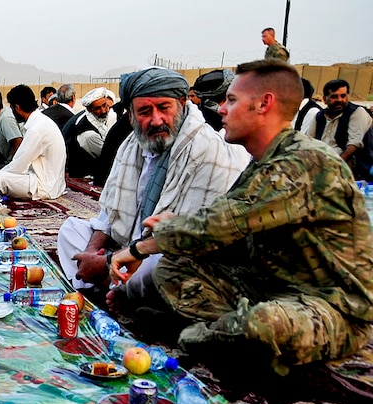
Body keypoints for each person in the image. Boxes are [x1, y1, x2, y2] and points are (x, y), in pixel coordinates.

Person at [111, 60, 373, 375]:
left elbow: (220, 224)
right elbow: (224, 230)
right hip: (268, 286)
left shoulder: (306, 163)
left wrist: (139, 249)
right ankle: (224, 332)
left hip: (333, 307)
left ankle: (201, 335)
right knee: (173, 268)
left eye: (231, 101)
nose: (221, 109)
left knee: (262, 325)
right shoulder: (264, 162)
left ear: (264, 104)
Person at [58, 67, 249, 299]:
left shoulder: (208, 149)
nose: (155, 120)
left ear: (181, 103)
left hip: (164, 250)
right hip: (127, 248)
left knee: (162, 268)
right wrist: (91, 252)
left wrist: (110, 261)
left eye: (164, 108)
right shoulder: (133, 145)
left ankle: (107, 283)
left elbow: (191, 238)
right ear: (131, 115)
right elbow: (108, 216)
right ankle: (111, 283)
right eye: (145, 111)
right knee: (70, 230)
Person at [0, 85, 67, 200]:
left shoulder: (36, 129)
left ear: (17, 107)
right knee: (2, 174)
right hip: (50, 181)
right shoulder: (40, 121)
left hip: (44, 187)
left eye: (12, 108)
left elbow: (18, 166)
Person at [301, 79, 373, 176]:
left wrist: (332, 166)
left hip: (348, 169)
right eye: (334, 96)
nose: (339, 100)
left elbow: (354, 145)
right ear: (325, 99)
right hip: (321, 165)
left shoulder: (357, 112)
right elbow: (308, 142)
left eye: (343, 96)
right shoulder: (319, 116)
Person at [62, 87, 117, 178]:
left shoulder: (94, 118)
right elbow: (109, 157)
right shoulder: (88, 134)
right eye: (98, 108)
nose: (104, 110)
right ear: (90, 109)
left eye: (104, 105)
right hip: (82, 174)